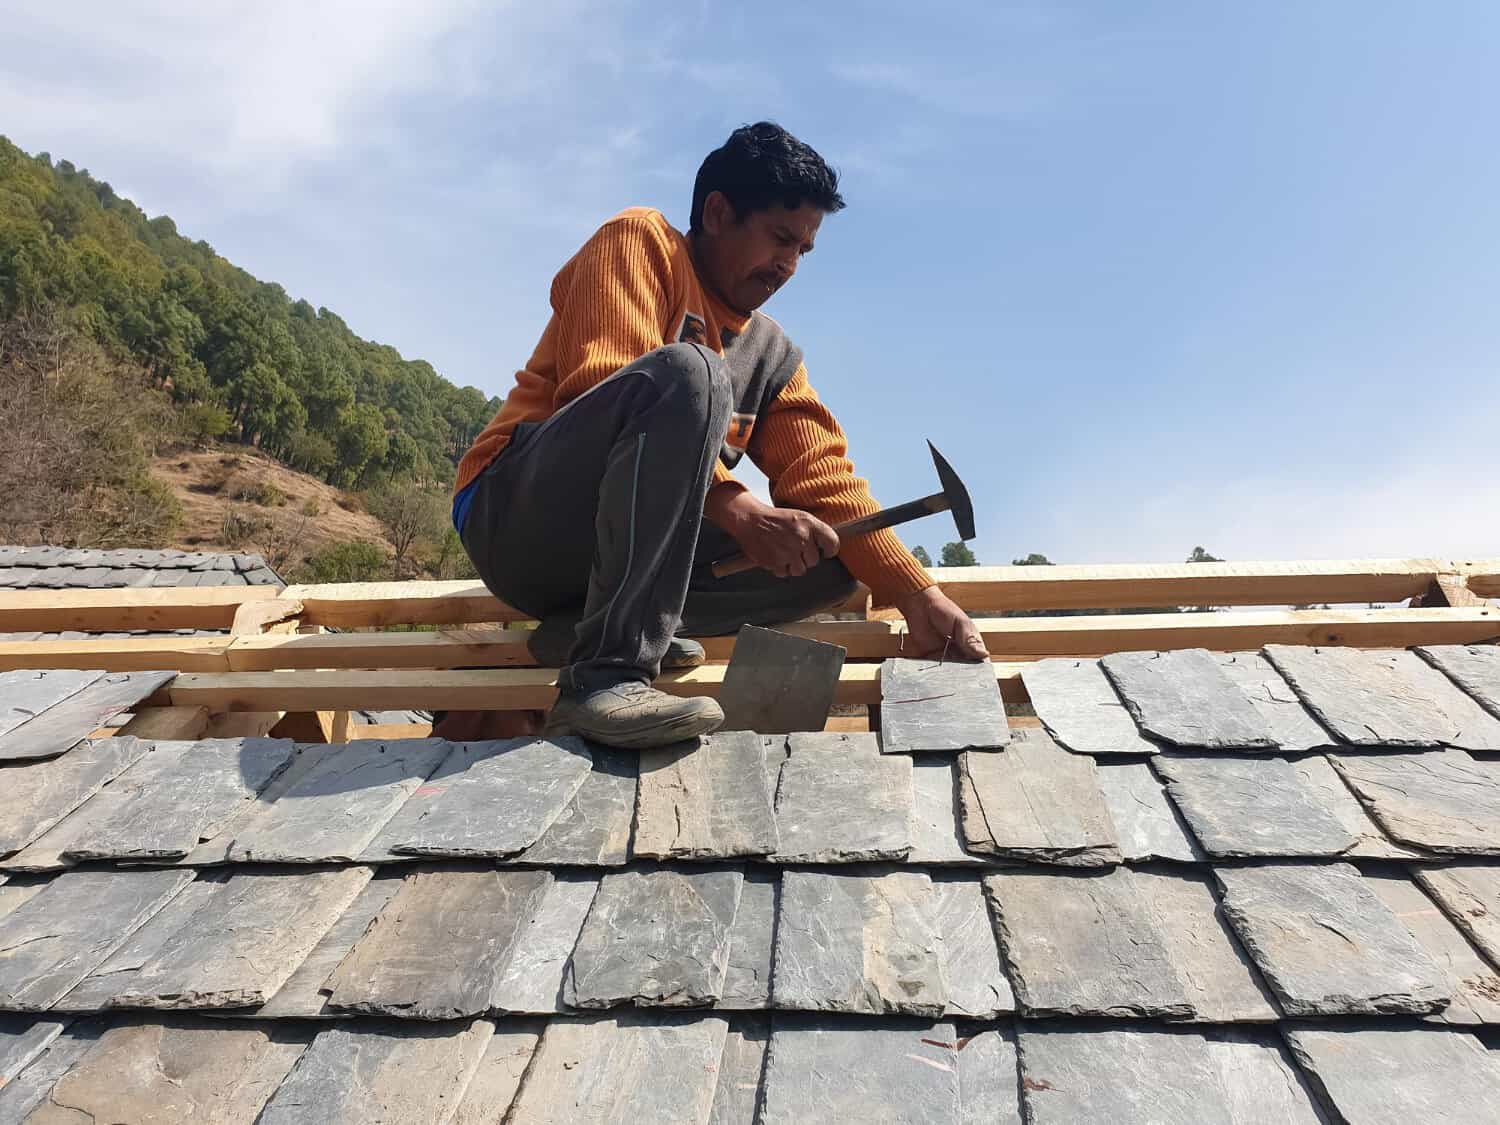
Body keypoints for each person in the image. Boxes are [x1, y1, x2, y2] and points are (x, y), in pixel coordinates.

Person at [451, 122, 986, 749]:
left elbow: (825, 480)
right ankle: (603, 678)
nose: (787, 265)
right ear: (717, 212)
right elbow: (598, 383)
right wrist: (738, 508)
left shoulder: (771, 352)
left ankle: (585, 629)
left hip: (613, 557)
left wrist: (919, 596)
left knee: (835, 559)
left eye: (803, 251)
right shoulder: (640, 242)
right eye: (780, 238)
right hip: (517, 517)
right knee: (689, 371)